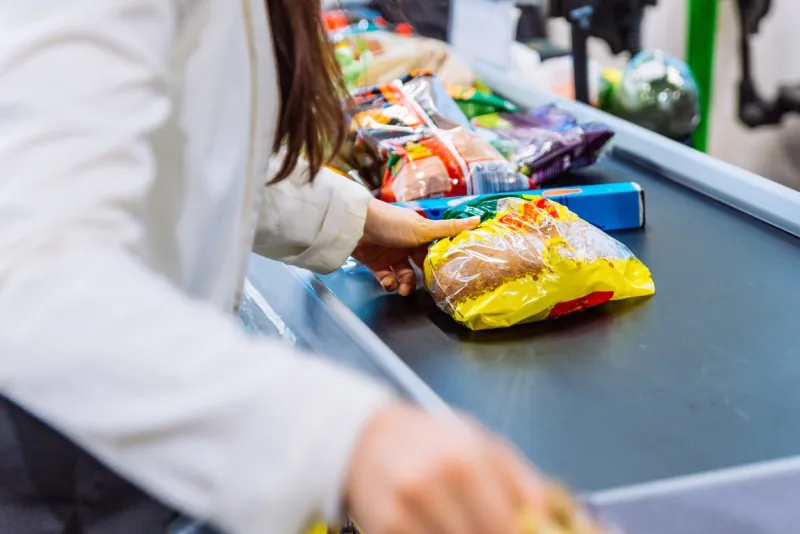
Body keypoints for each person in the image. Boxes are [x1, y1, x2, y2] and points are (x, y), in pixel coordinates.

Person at [0, 1, 548, 533]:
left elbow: (182, 143)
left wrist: (347, 219)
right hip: (65, 444)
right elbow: (29, 270)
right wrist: (344, 438)